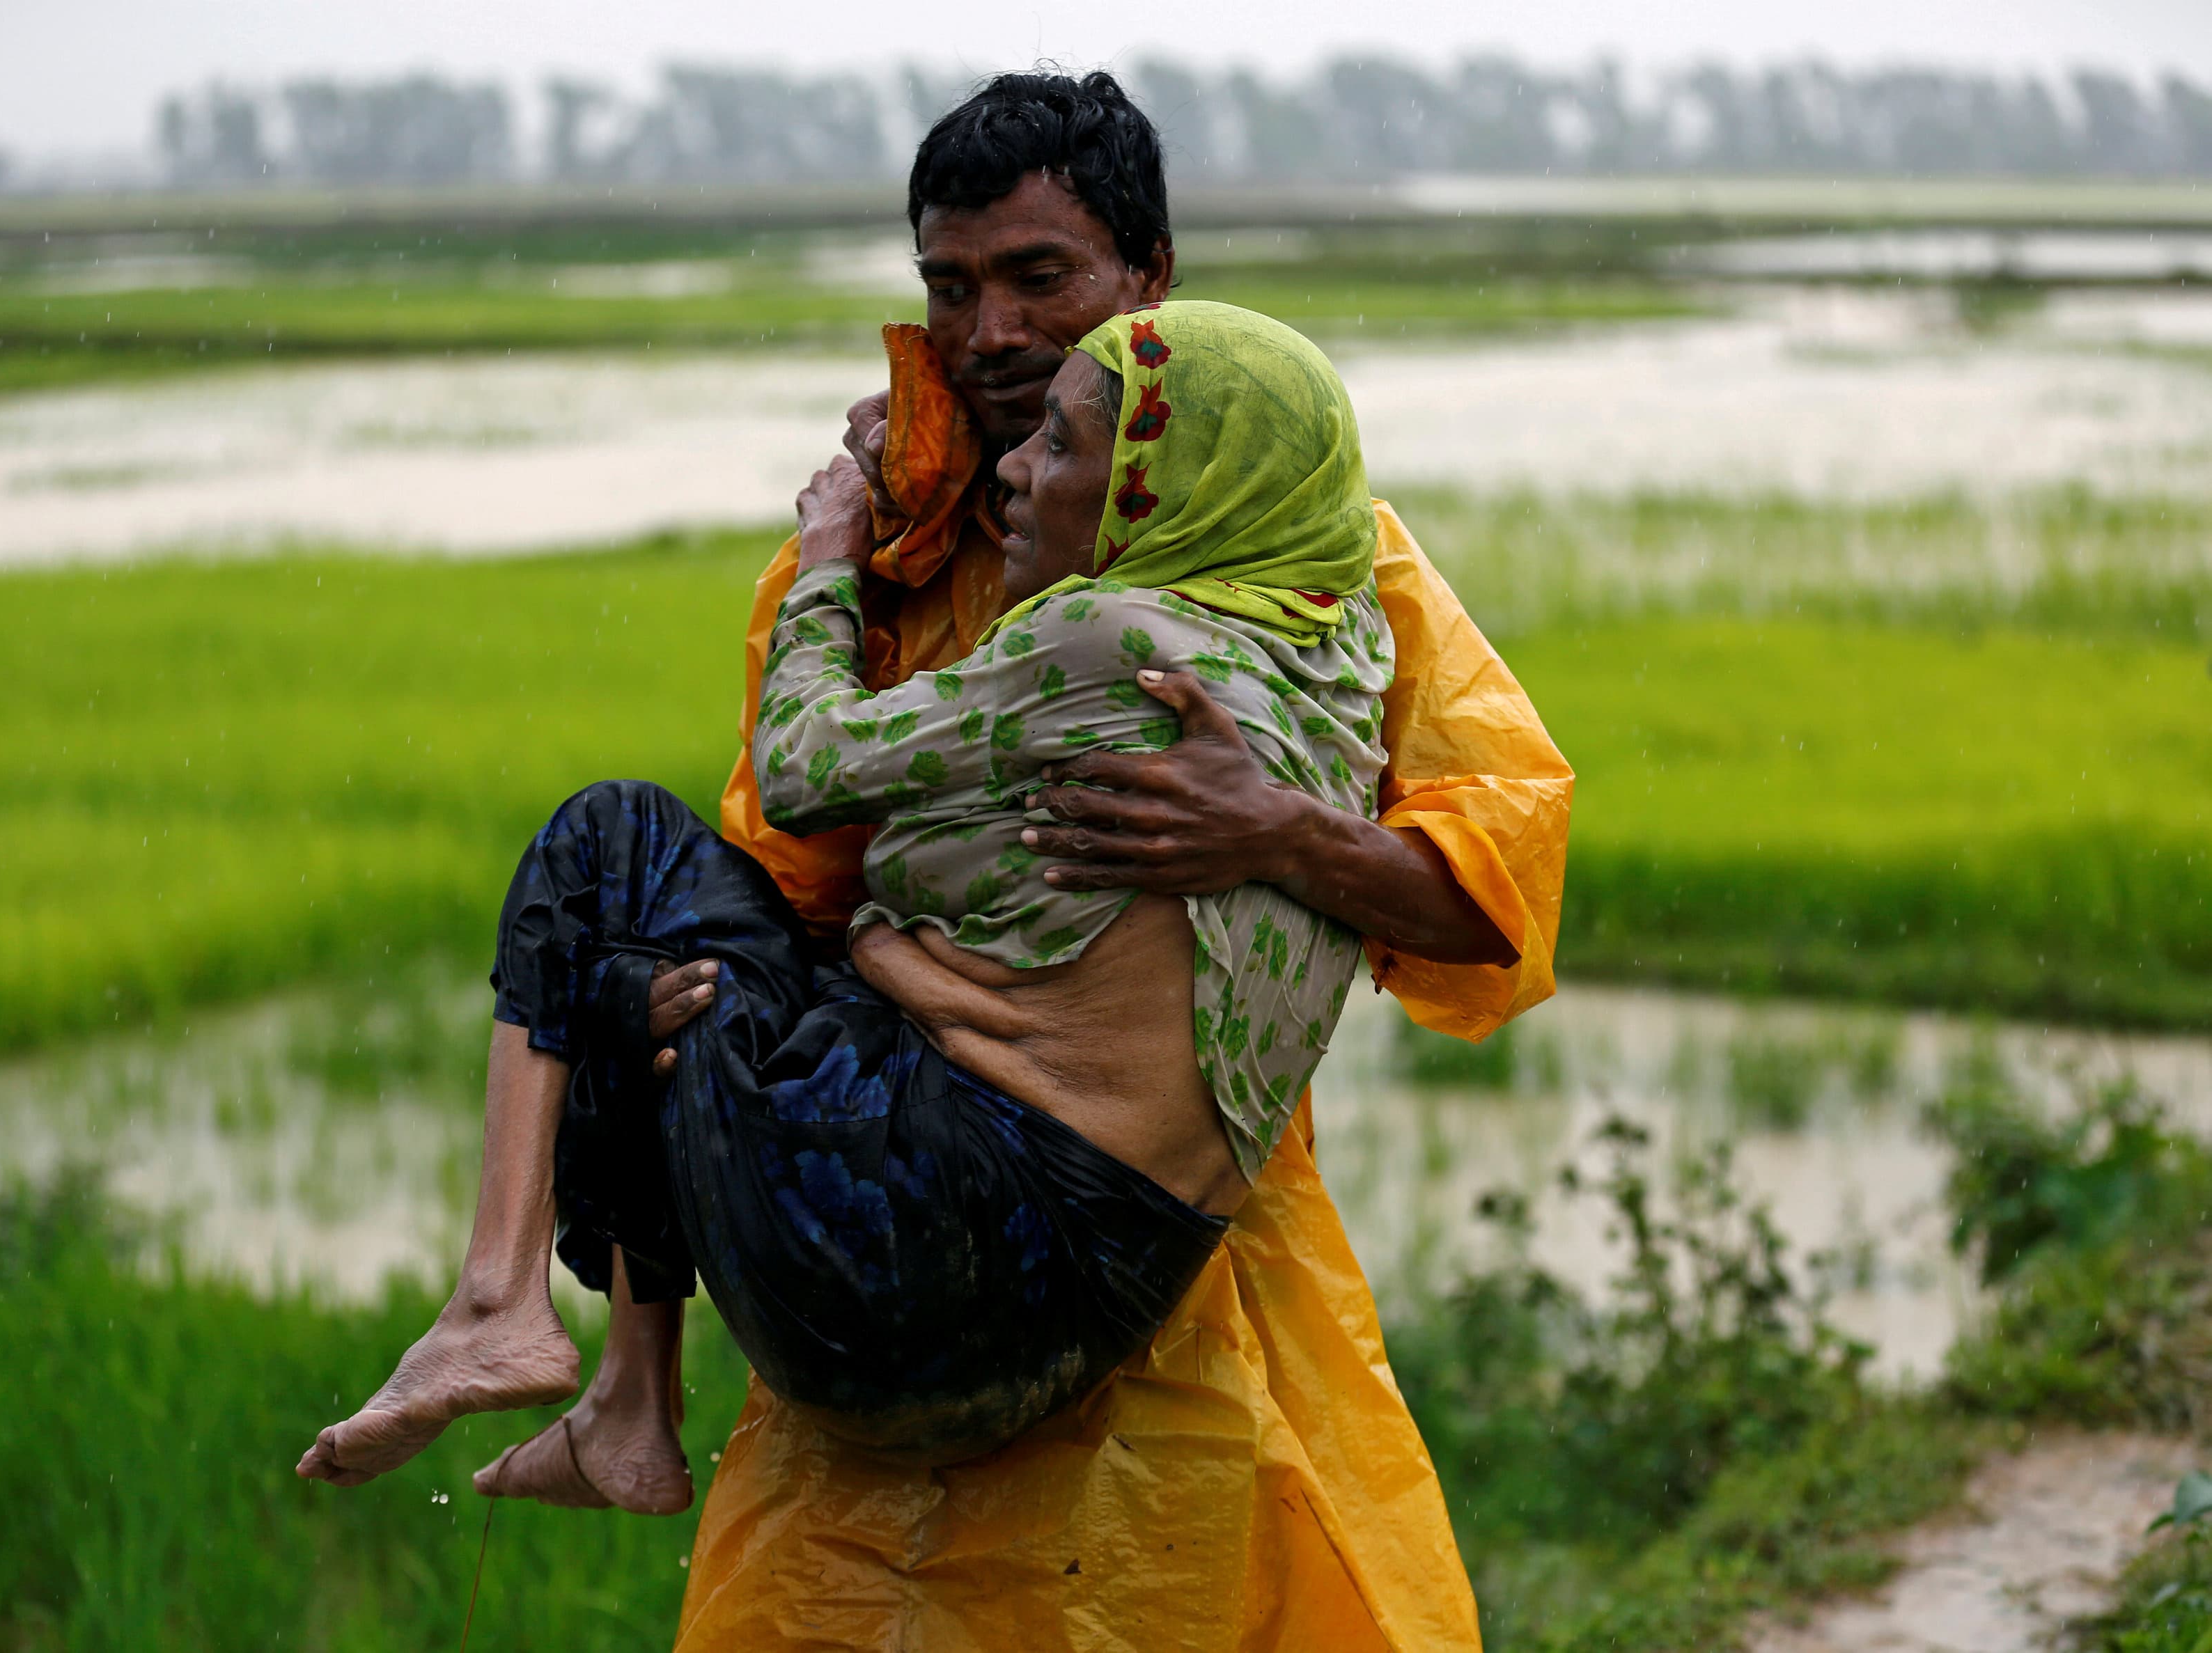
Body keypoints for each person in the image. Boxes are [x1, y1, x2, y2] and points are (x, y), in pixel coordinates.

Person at [305, 71, 1572, 1650]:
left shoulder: (1300, 557)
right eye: (948, 285)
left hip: (1172, 1280)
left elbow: (1494, 897)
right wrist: (657, 1019)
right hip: (884, 1204)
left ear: (1146, 283)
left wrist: (1276, 830)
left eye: (1038, 277)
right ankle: (590, 1367)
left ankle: (543, 1336)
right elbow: (783, 879)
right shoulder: (881, 554)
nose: (987, 332)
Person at [301, 300, 1399, 1505]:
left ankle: (500, 1303)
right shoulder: (1340, 646)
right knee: (648, 987)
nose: (1018, 475)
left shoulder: (1114, 638)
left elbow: (807, 767)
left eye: (1067, 446)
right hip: (1091, 1312)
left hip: (923, 1250)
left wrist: (833, 554)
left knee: (612, 854)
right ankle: (623, 1407)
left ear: (1162, 486)